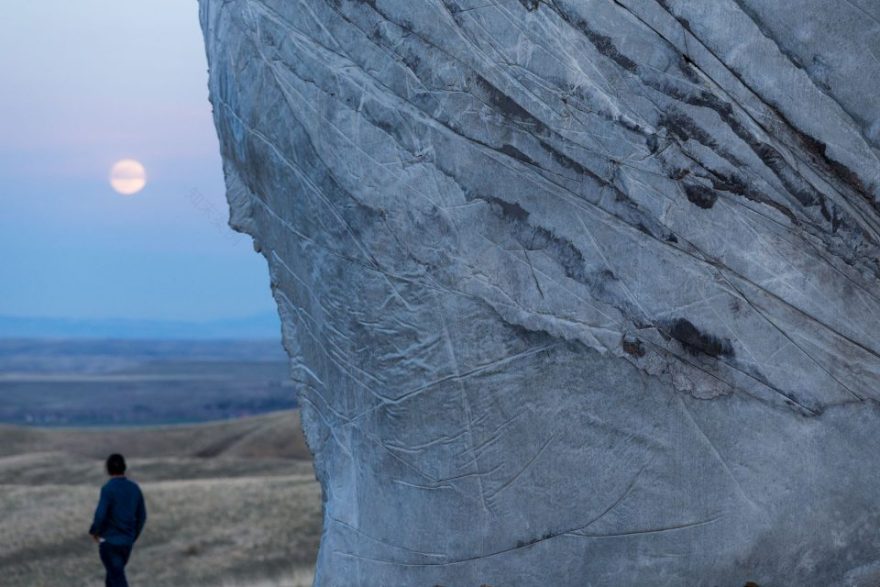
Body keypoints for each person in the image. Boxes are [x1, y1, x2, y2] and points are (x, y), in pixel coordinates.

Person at [88, 453, 147, 587]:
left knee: (117, 578)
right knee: (113, 577)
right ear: (124, 468)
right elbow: (142, 516)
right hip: (126, 542)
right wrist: (132, 536)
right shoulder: (134, 488)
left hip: (109, 542)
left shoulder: (108, 489)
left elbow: (100, 515)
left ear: (108, 469)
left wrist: (94, 531)